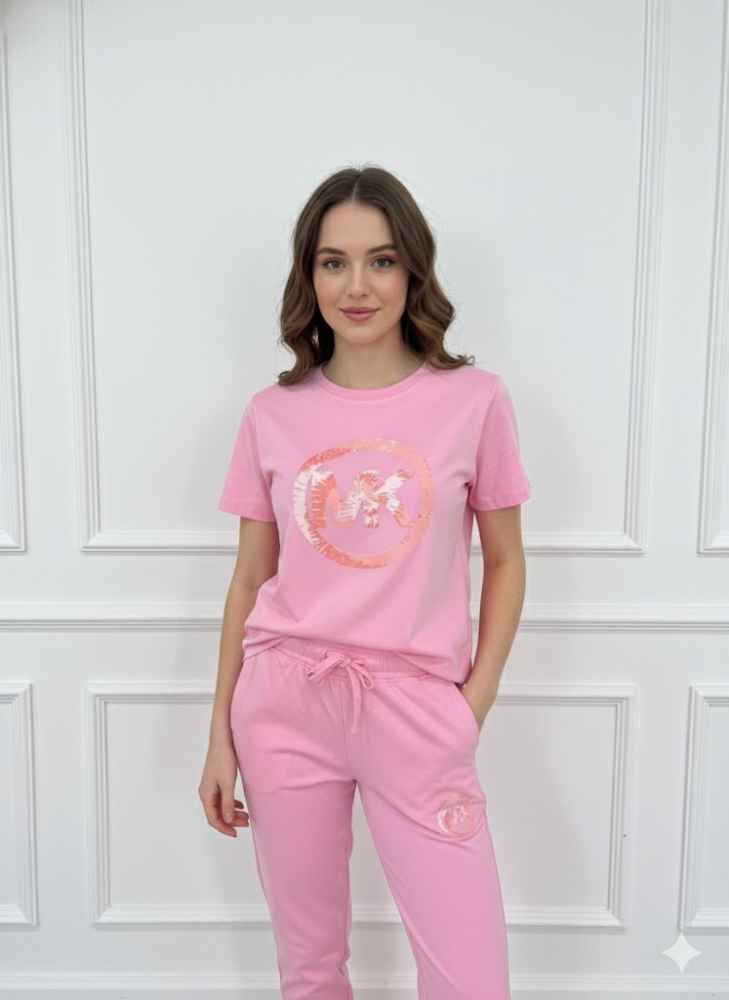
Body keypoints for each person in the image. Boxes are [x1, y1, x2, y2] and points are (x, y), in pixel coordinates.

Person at [199, 165, 531, 1000]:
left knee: (470, 980)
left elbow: (505, 559)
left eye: (380, 261)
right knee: (310, 971)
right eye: (332, 262)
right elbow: (249, 580)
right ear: (307, 277)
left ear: (413, 270)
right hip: (283, 705)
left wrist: (472, 702)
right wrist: (219, 735)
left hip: (415, 710)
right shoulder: (271, 414)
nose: (356, 286)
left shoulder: (474, 401)